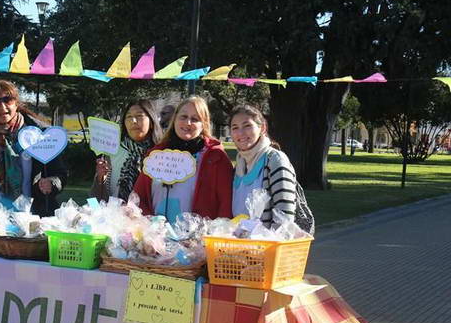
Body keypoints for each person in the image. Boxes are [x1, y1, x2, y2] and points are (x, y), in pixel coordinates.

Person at [132, 96, 233, 221]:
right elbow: (138, 197)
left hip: (198, 237)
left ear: (204, 124)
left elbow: (226, 204)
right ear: (174, 120)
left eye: (195, 119)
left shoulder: (216, 157)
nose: (188, 123)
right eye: (183, 117)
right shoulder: (156, 154)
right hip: (156, 236)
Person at [0, 79, 67, 216]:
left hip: (33, 217)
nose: (2, 107)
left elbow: (60, 173)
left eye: (7, 99)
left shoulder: (41, 134)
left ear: (16, 102)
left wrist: (52, 183)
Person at [229, 104, 314, 233]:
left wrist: (268, 243)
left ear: (262, 128)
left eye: (247, 126)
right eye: (235, 128)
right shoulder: (239, 164)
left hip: (267, 248)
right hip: (241, 247)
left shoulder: (275, 160)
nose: (240, 133)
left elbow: (284, 217)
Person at [91, 99, 163, 202]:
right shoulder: (113, 150)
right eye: (129, 117)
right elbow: (97, 197)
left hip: (152, 215)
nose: (133, 121)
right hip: (117, 214)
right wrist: (100, 177)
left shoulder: (162, 153)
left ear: (152, 121)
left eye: (139, 116)